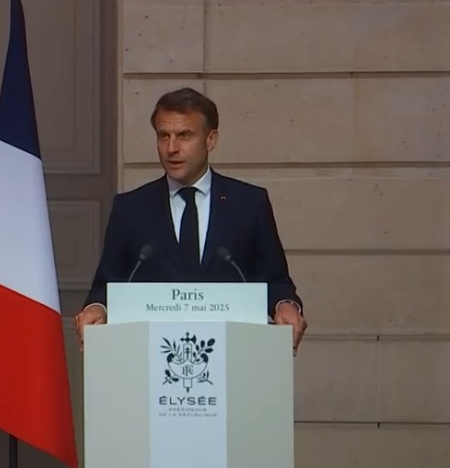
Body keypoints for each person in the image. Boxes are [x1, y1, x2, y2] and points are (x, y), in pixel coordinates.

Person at [74, 87, 306, 353]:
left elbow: (275, 280)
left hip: (234, 355)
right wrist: (96, 308)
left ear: (210, 140)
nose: (172, 148)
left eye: (184, 135)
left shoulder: (249, 204)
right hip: (149, 356)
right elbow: (107, 285)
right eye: (164, 136)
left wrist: (286, 305)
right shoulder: (130, 208)